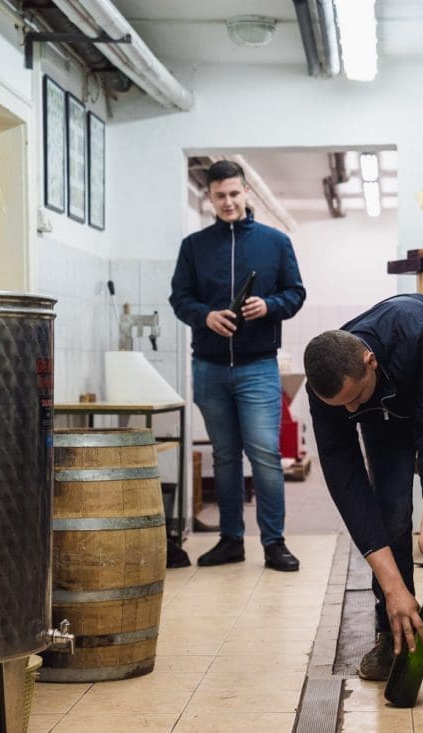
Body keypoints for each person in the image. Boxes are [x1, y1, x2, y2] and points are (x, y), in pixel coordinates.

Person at [303, 293, 423, 680]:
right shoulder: (330, 391)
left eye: (354, 398)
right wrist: (392, 587)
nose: (350, 412)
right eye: (341, 406)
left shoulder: (417, 330)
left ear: (369, 361)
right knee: (391, 512)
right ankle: (393, 632)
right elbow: (347, 483)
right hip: (384, 416)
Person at [169, 160, 306, 572]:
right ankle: (230, 540)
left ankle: (274, 543)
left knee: (264, 454)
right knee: (225, 457)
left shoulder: (275, 242)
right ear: (209, 197)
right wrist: (205, 316)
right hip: (209, 367)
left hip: (258, 367)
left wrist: (269, 305)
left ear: (246, 192)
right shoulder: (194, 247)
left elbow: (295, 293)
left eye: (234, 193)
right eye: (219, 196)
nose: (228, 202)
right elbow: (180, 299)